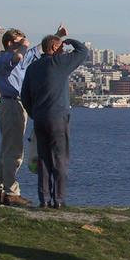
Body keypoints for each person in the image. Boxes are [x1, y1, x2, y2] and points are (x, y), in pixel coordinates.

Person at [0, 24, 66, 206]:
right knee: (14, 152)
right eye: (19, 40)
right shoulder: (4, 59)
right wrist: (24, 45)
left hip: (17, 104)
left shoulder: (23, 56)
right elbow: (18, 57)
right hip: (12, 104)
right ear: (9, 43)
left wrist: (57, 36)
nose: (24, 43)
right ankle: (11, 193)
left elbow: (38, 50)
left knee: (6, 150)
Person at [20, 30, 88, 209]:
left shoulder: (32, 67)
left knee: (43, 160)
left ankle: (44, 199)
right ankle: (58, 199)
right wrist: (69, 40)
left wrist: (34, 113)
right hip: (58, 118)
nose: (64, 51)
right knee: (60, 159)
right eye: (61, 47)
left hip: (40, 118)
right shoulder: (59, 63)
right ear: (54, 47)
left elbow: (24, 96)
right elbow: (82, 51)